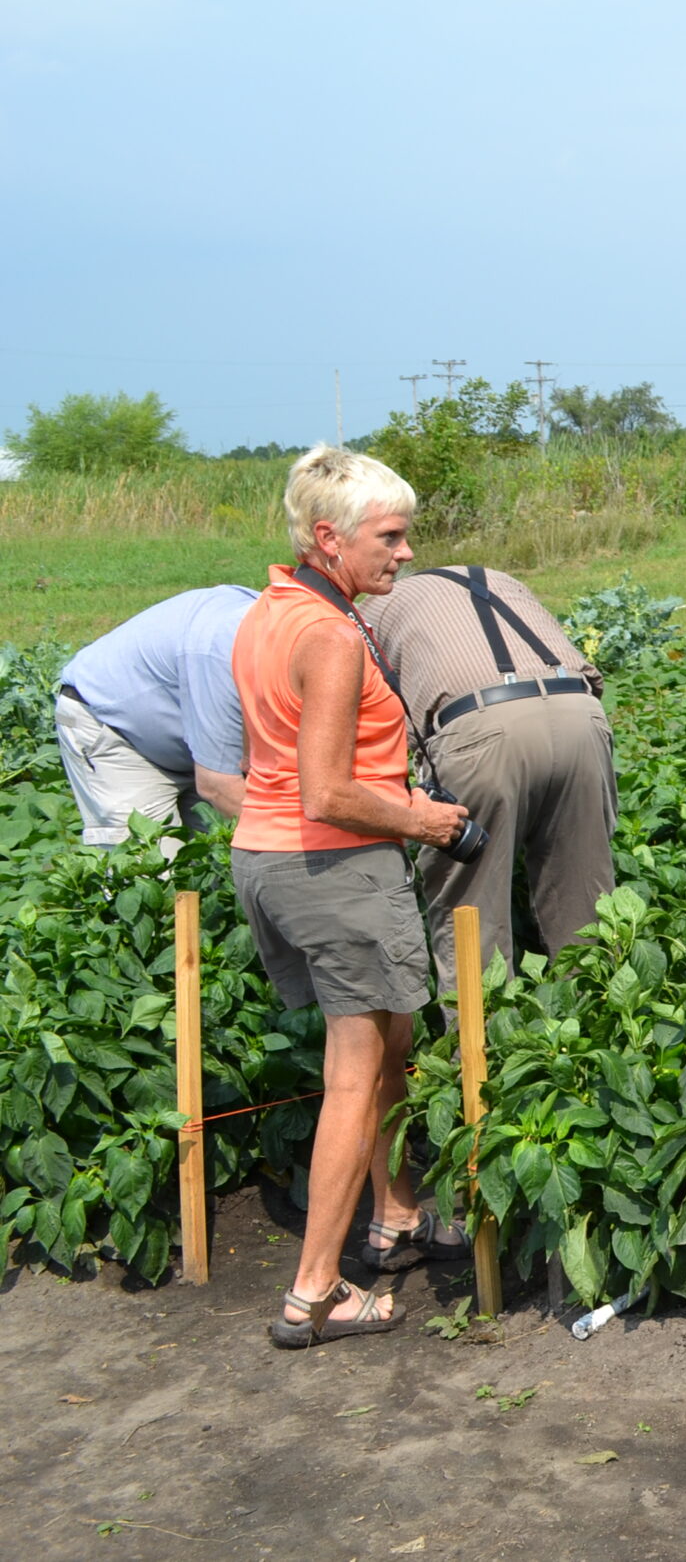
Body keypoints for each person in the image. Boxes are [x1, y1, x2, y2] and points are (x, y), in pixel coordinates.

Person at [230, 445, 475, 1348]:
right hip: (333, 864)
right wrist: (428, 820)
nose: (407, 553)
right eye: (391, 536)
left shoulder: (268, 611)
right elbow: (327, 789)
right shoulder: (330, 637)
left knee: (388, 1041)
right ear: (329, 538)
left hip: (265, 858)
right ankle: (314, 1292)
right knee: (355, 1071)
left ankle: (395, 1213)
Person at [366, 563, 615, 989]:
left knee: (471, 909)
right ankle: (597, 1029)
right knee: (583, 899)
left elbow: (376, 717)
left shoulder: (372, 608)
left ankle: (483, 1047)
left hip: (481, 723)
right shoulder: (503, 580)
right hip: (580, 712)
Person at [53, 585, 256, 851]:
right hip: (118, 735)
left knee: (215, 866)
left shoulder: (307, 639)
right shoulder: (221, 647)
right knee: (150, 872)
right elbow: (219, 785)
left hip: (193, 744)